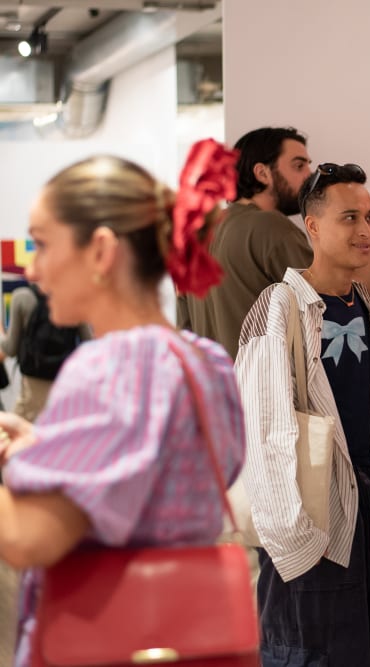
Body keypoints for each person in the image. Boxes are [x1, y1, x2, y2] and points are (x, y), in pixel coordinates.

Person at [0, 141, 246, 667]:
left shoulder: (109, 368)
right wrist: (42, 447)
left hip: (101, 642)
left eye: (43, 244)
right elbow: (156, 481)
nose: (34, 270)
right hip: (187, 634)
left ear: (101, 251)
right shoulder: (202, 360)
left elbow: (27, 539)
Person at [235, 162, 370, 667]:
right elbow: (262, 431)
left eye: (368, 217)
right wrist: (295, 539)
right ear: (312, 226)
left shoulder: (367, 306)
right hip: (313, 517)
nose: (366, 231)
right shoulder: (278, 307)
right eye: (349, 218)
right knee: (320, 655)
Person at [176, 126, 370, 358]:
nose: (309, 175)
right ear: (262, 173)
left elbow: (184, 326)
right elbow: (342, 303)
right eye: (299, 166)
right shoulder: (269, 226)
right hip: (266, 388)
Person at [0, 283, 90, 421]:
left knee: (15, 429)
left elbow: (10, 349)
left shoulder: (22, 297)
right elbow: (89, 342)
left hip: (32, 386)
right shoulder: (74, 298)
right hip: (65, 380)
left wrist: (1, 334)